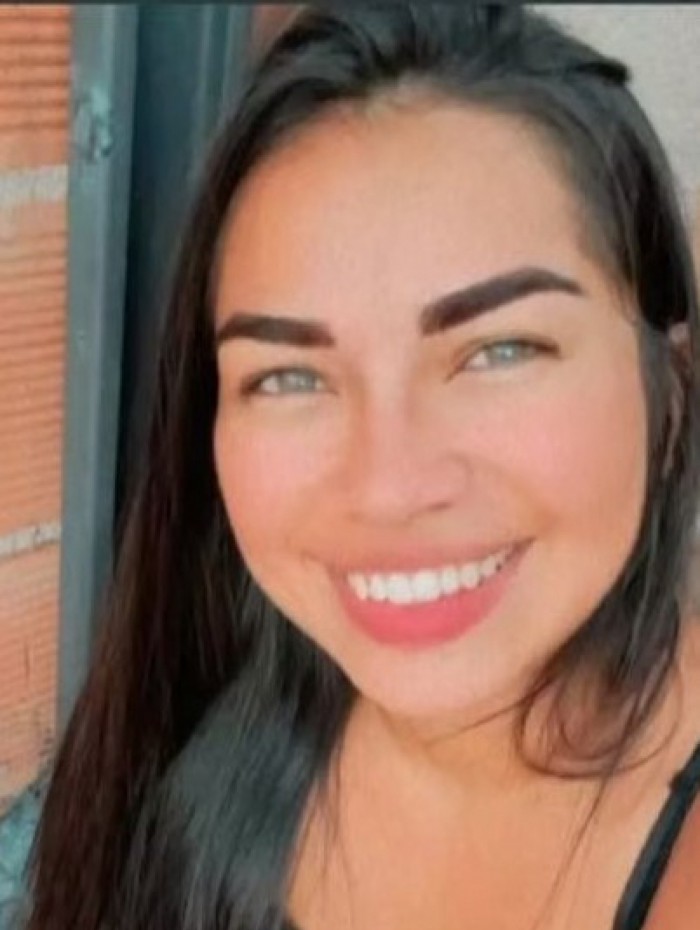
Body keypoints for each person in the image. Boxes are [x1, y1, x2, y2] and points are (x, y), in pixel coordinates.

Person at [23, 5, 700, 930]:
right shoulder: (186, 707)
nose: (387, 488)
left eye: (499, 351)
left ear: (672, 393)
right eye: (289, 376)